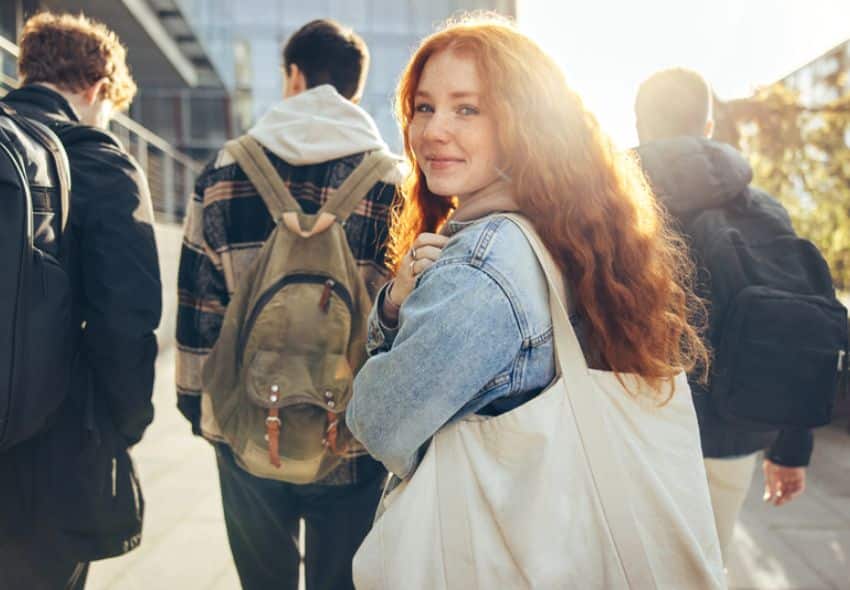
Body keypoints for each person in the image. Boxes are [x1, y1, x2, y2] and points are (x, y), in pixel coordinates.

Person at [346, 14, 722, 588]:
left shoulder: (483, 264)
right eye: (424, 107)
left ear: (522, 122)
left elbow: (379, 422)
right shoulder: (566, 228)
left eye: (467, 109)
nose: (433, 130)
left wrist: (390, 310)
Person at [176, 19, 403, 590]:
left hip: (247, 422)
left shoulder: (227, 168)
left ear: (294, 76)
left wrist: (197, 405)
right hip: (350, 432)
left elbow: (197, 303)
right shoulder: (391, 180)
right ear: (353, 87)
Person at [0, 11, 161, 590]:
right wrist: (124, 425)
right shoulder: (97, 157)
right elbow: (128, 316)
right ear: (98, 90)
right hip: (51, 454)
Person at [634, 68, 815, 562]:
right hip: (736, 425)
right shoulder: (763, 208)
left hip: (632, 428)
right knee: (709, 562)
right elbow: (796, 325)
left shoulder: (609, 206)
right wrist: (790, 446)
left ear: (640, 126)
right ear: (708, 127)